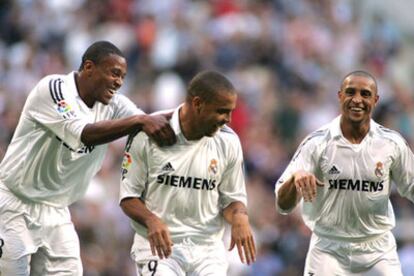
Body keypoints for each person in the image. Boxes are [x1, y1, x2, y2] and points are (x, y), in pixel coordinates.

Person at [0, 41, 176, 275]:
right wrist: (139, 122)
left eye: (123, 76)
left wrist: (193, 114)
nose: (119, 82)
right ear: (89, 67)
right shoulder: (53, 88)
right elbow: (85, 134)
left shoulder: (113, 104)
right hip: (14, 204)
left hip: (56, 211)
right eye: (114, 73)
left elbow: (152, 121)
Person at [275, 70, 412, 275]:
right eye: (350, 92)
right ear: (340, 96)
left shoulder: (391, 143)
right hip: (328, 249)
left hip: (377, 250)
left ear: (375, 100)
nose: (357, 99)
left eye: (365, 94)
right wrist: (295, 179)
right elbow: (282, 205)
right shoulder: (316, 143)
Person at [120, 70, 256, 275]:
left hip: (208, 251)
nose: (228, 119)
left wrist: (239, 217)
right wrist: (151, 220)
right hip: (159, 248)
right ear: (198, 103)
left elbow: (232, 200)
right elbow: (128, 198)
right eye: (221, 111)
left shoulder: (228, 141)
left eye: (230, 112)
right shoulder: (149, 132)